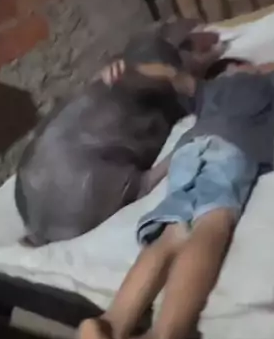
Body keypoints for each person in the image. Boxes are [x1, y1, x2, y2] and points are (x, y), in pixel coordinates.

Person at [78, 54, 274, 339]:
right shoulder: (264, 83)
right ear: (237, 69)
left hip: (187, 152)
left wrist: (128, 69)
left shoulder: (205, 91)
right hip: (231, 148)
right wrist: (262, 69)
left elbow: (169, 73)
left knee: (172, 232)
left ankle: (110, 327)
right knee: (214, 221)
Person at [15, 20, 224, 246]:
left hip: (34, 195)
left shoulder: (120, 75)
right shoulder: (158, 80)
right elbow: (184, 80)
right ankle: (143, 180)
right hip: (74, 193)